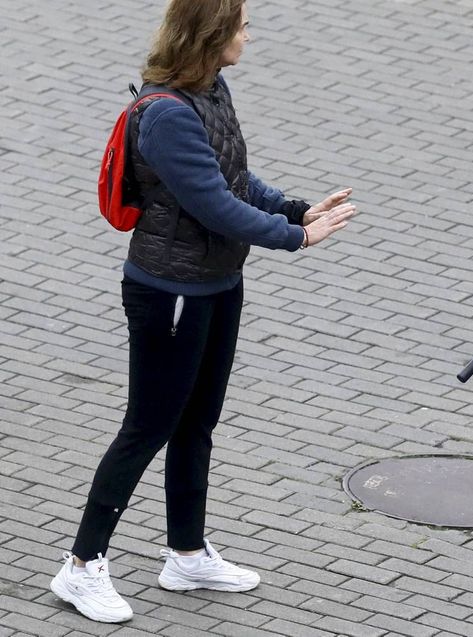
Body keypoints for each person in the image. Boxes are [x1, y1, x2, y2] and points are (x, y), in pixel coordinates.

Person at [49, 0, 357, 623]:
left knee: (197, 423)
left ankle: (187, 554)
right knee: (148, 427)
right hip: (170, 293)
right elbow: (214, 204)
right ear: (211, 34)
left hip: (217, 284)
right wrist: (295, 238)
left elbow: (236, 179)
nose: (249, 32)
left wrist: (297, 209)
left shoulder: (212, 89)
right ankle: (81, 567)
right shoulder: (165, 117)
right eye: (241, 24)